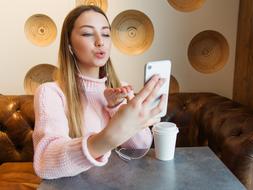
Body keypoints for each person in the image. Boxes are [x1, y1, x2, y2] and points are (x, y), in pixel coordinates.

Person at [32, 5, 165, 179]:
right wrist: (108, 138)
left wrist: (116, 108)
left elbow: (140, 147)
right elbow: (45, 162)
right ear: (69, 44)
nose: (100, 41)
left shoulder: (121, 88)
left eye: (106, 34)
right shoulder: (50, 93)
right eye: (87, 33)